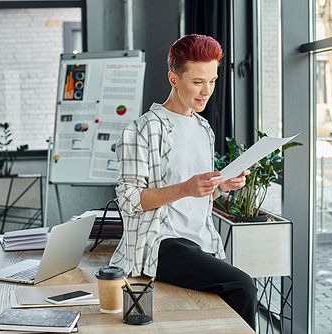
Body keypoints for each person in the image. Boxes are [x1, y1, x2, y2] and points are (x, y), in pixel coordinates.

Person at [109, 34, 257, 329]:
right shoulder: (143, 129)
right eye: (198, 82)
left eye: (212, 81)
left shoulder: (204, 128)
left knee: (228, 299)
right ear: (173, 79)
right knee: (243, 286)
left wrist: (221, 186)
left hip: (200, 241)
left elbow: (197, 194)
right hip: (162, 243)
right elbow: (128, 199)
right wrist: (186, 187)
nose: (207, 91)